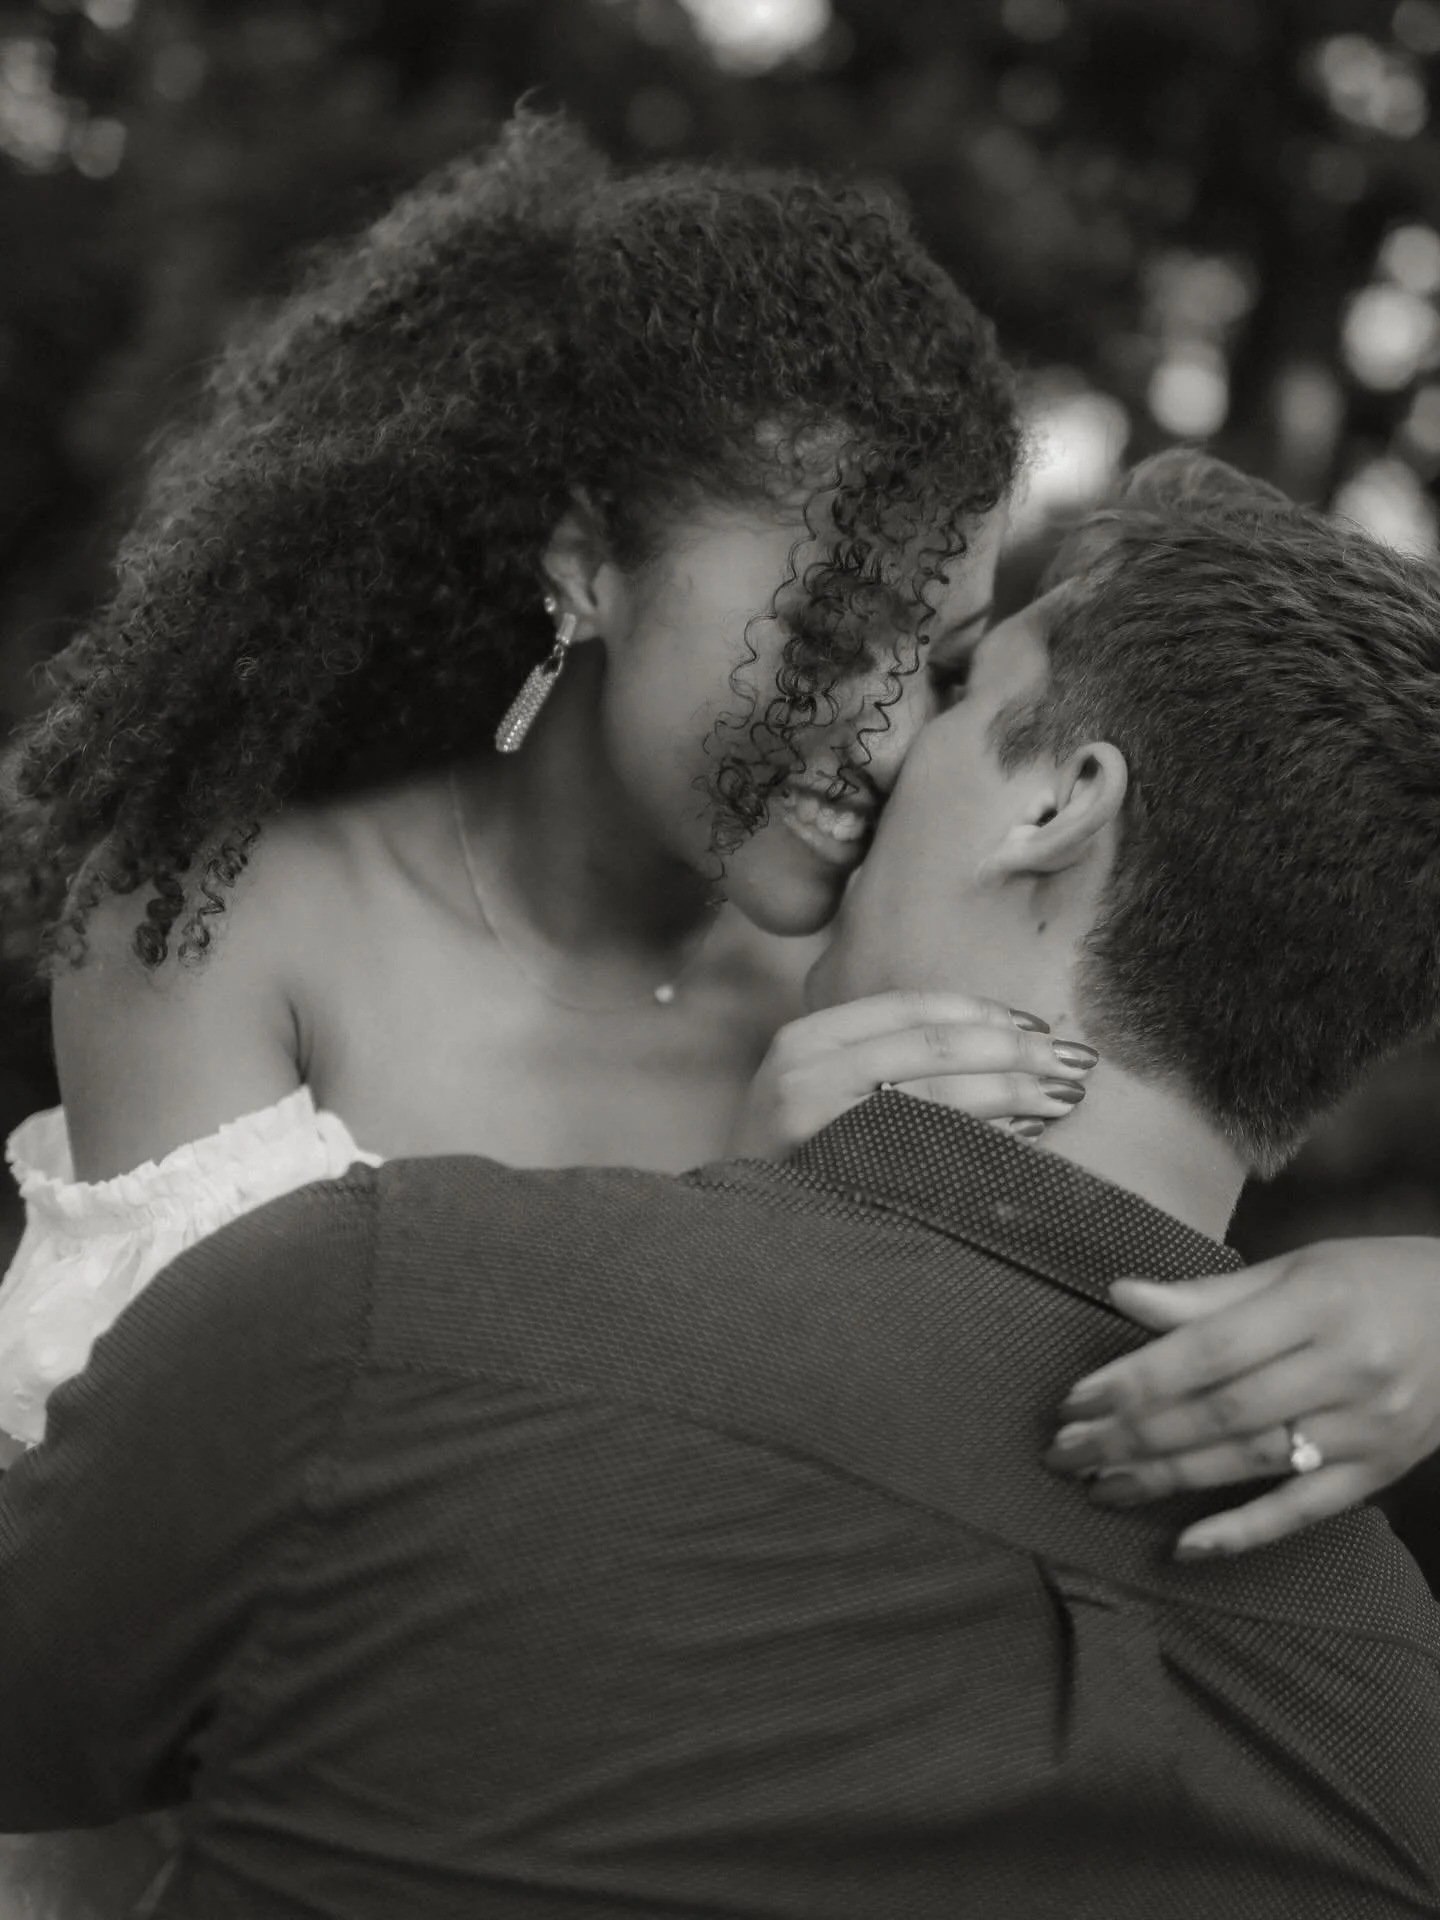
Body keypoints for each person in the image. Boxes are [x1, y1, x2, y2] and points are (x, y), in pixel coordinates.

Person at [2, 451, 1439, 1918]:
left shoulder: (383, 1303)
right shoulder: (1395, 1715)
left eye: (953, 690)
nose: (878, 752)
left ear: (1060, 807)